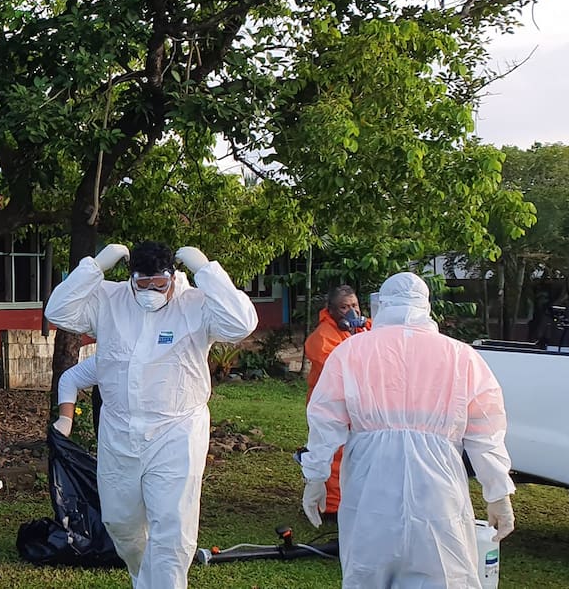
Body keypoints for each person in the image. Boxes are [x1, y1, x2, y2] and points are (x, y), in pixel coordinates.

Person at [47, 241, 258, 589]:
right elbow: (59, 311)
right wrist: (95, 266)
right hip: (119, 432)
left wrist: (206, 270)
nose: (150, 292)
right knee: (121, 524)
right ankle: (144, 581)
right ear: (130, 279)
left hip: (177, 430)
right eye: (141, 284)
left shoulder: (196, 304)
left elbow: (242, 324)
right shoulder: (110, 299)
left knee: (171, 528)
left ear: (172, 278)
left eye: (158, 285)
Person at [301, 272, 516, 588]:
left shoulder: (351, 351)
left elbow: (324, 421)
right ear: (426, 306)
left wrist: (316, 476)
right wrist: (498, 493)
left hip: (370, 479)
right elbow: (487, 432)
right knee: (444, 572)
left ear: (383, 304)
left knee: (368, 573)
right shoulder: (462, 356)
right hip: (438, 484)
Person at [302, 284, 372, 519]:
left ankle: (354, 499)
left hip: (360, 403)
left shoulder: (366, 328)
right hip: (331, 404)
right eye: (344, 307)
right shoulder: (321, 337)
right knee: (333, 453)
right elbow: (343, 369)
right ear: (331, 310)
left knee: (359, 453)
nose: (351, 312)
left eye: (354, 305)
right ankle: (331, 507)